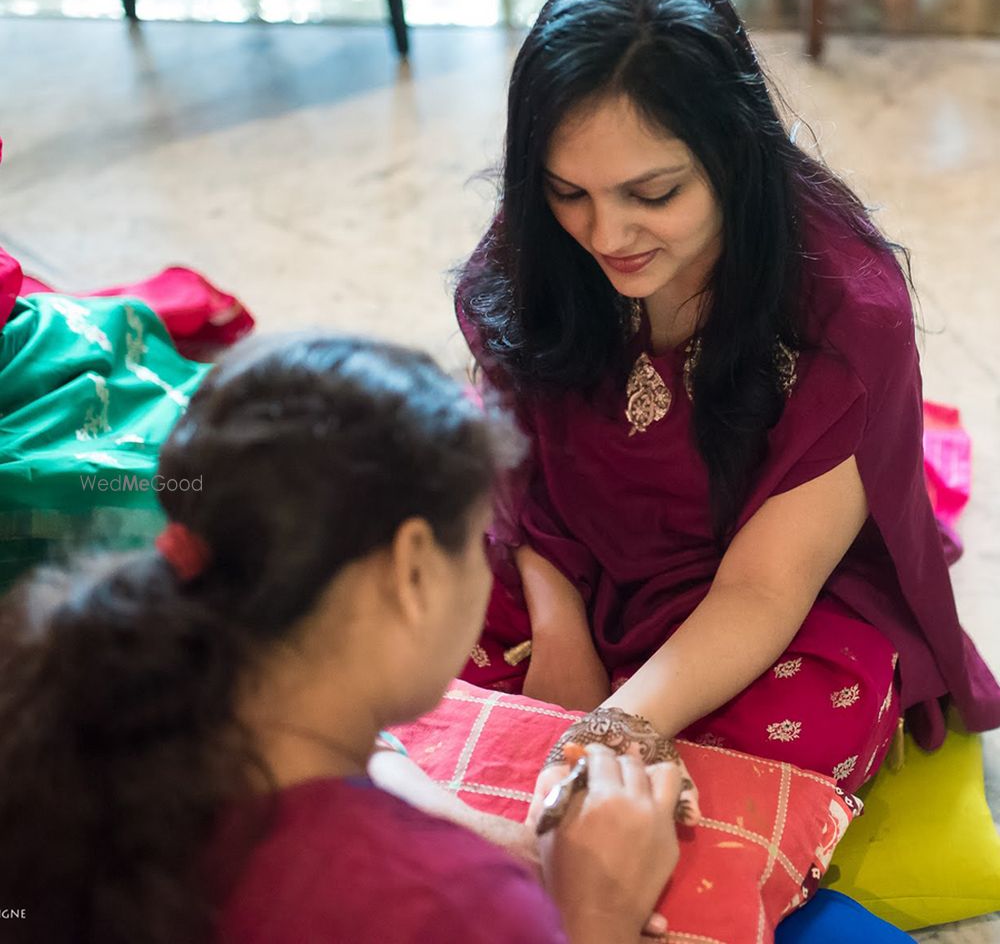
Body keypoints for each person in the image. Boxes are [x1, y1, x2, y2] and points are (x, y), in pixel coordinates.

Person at [454, 0, 1000, 803]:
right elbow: (511, 448)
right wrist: (559, 623)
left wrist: (612, 724)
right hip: (565, 553)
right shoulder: (544, 245)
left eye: (655, 192)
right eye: (569, 191)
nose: (605, 232)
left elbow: (762, 588)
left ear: (735, 154)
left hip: (765, 600)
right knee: (392, 623)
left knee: (811, 723)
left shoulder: (844, 315)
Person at [0, 331, 684, 944]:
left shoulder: (71, 719)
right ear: (413, 566)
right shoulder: (457, 907)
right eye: (476, 544)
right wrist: (596, 917)